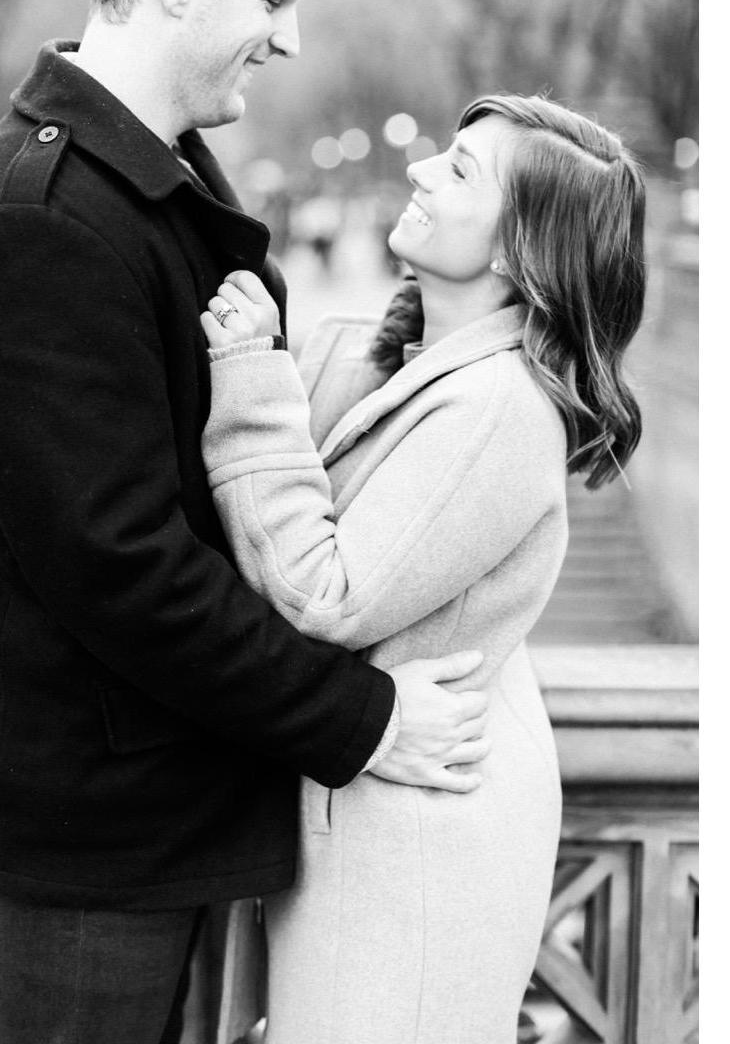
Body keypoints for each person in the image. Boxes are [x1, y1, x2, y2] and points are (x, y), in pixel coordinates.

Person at [0, 0, 490, 1044]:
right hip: (99, 841)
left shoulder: (146, 175)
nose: (289, 38)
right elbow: (125, 569)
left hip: (166, 805)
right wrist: (363, 717)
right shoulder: (44, 223)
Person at [200, 93, 648, 1044]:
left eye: (459, 171)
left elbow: (324, 593)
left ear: (519, 251)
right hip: (372, 816)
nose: (419, 169)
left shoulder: (499, 409)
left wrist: (249, 373)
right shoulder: (405, 362)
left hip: (412, 857)